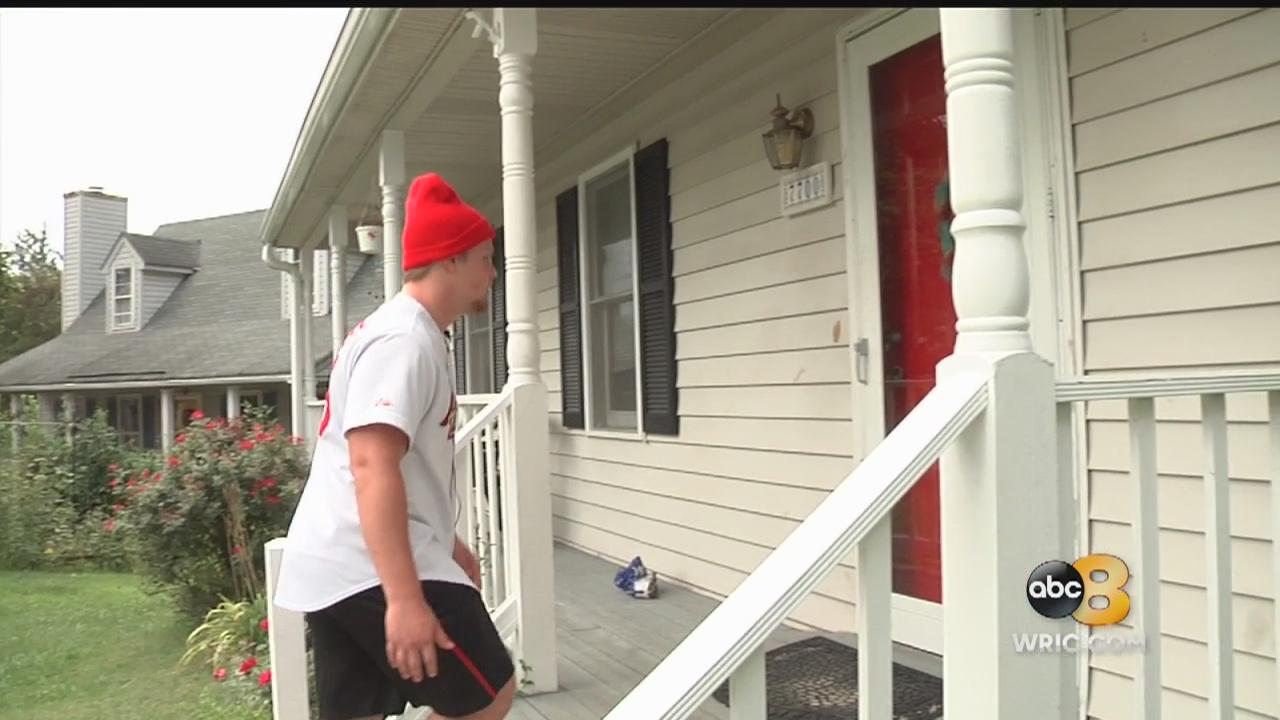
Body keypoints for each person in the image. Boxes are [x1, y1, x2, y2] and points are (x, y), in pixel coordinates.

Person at [273, 172, 513, 720]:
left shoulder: (413, 333)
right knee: (487, 695)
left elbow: (401, 465)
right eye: (485, 257)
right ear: (450, 259)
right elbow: (370, 465)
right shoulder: (403, 341)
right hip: (365, 562)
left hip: (341, 561)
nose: (493, 271)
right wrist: (405, 599)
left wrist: (446, 541)